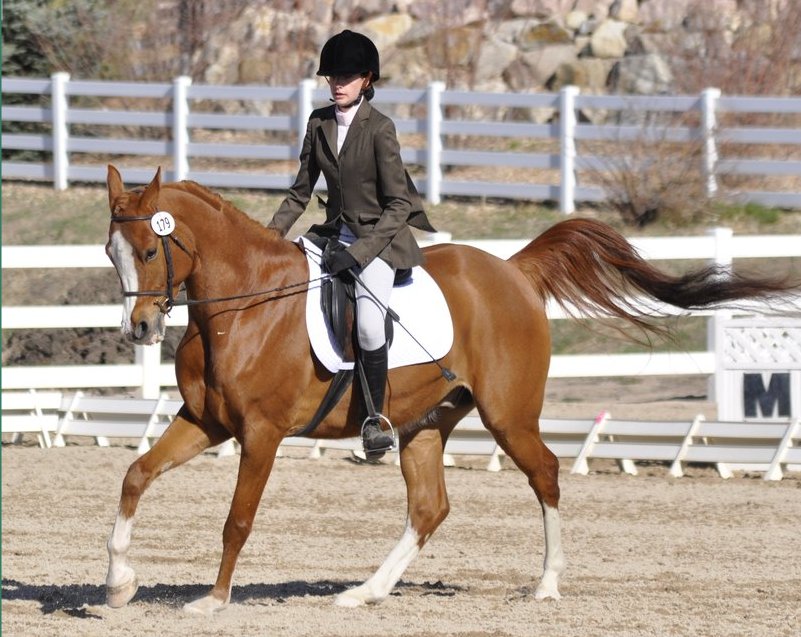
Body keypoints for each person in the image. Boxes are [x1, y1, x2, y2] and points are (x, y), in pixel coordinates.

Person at [268, 29, 436, 458]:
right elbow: (299, 193)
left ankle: (376, 421)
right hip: (333, 232)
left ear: (366, 79)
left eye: (346, 77)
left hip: (380, 239)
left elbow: (399, 205)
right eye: (332, 77)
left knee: (365, 322)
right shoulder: (317, 122)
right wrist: (268, 240)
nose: (337, 84)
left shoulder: (380, 129)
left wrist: (358, 254)